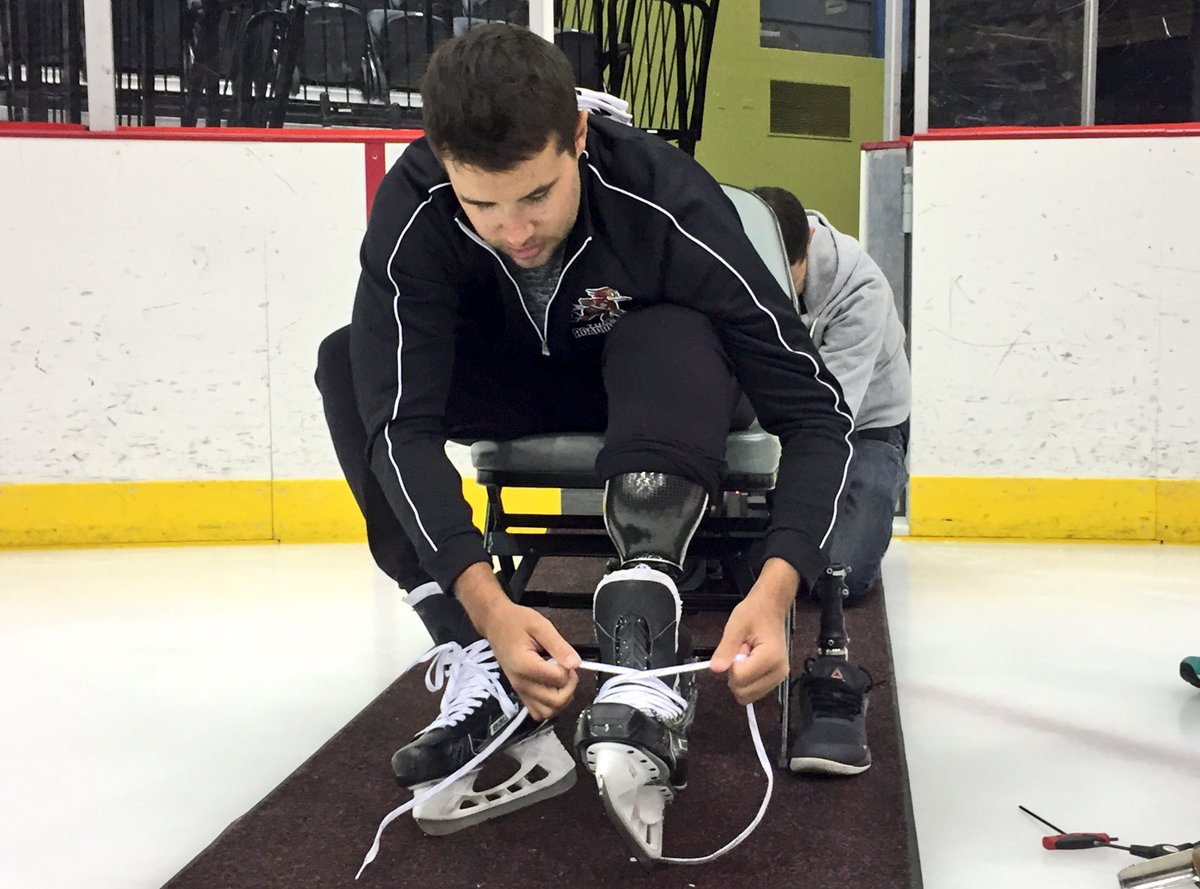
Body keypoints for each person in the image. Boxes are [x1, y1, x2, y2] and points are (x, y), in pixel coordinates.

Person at [314, 23, 854, 859]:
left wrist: (778, 588)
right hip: (518, 374)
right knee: (350, 360)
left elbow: (814, 413)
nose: (513, 230)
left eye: (536, 195)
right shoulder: (416, 206)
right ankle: (476, 664)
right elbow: (402, 425)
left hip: (667, 380)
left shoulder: (666, 195)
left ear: (578, 136)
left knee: (666, 327)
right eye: (480, 203)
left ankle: (647, 628)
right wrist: (487, 610)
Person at [753, 185, 911, 776]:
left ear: (805, 251)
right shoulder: (743, 260)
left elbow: (827, 416)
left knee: (845, 573)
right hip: (769, 417)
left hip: (866, 426)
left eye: (779, 277)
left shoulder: (859, 289)